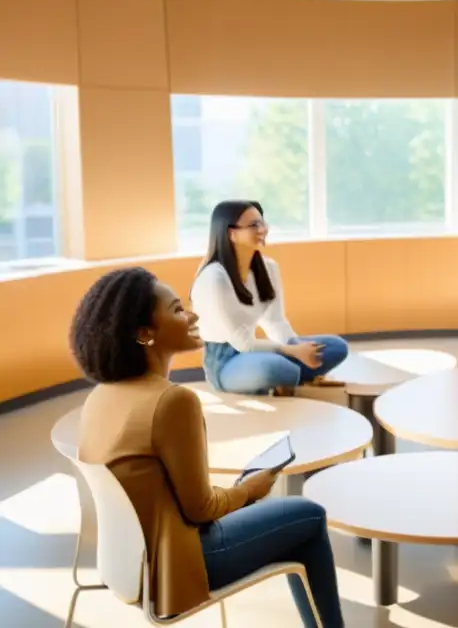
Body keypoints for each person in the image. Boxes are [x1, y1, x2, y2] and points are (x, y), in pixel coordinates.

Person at [72, 267, 344, 627]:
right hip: (182, 566)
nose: (193, 314)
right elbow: (201, 510)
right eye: (176, 310)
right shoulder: (172, 402)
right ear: (144, 334)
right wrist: (248, 491)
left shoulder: (101, 396)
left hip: (131, 562)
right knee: (308, 516)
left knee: (291, 523)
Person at [190, 200, 349, 395]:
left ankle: (290, 377)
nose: (262, 229)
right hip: (225, 361)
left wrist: (298, 347)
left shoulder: (269, 268)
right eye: (254, 225)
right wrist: (291, 352)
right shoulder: (214, 277)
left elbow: (276, 322)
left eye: (262, 223)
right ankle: (290, 376)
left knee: (336, 347)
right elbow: (243, 344)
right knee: (277, 368)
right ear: (231, 233)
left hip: (256, 351)